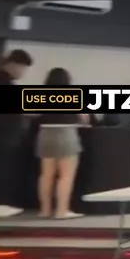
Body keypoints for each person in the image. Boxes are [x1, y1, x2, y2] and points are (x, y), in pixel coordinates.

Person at [35, 67, 88, 219]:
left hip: (45, 134)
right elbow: (84, 118)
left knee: (46, 175)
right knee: (66, 176)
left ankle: (45, 210)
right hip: (66, 134)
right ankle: (61, 210)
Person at [0, 50, 34, 218]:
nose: (23, 73)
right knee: (1, 169)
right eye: (23, 68)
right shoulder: (2, 84)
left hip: (3, 136)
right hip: (2, 137)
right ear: (13, 65)